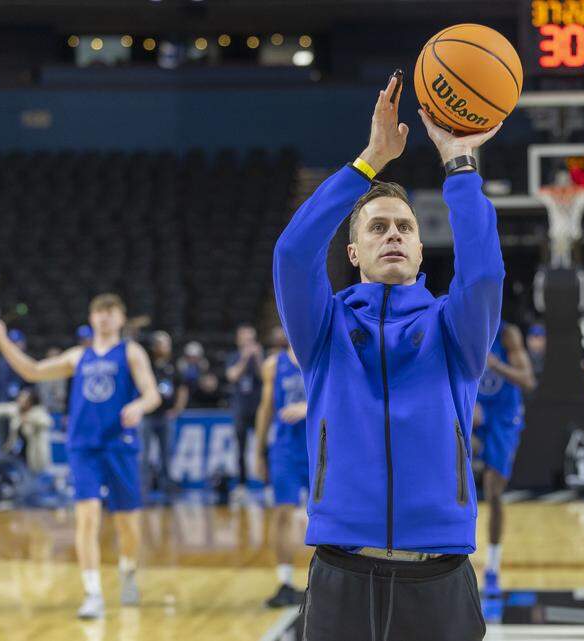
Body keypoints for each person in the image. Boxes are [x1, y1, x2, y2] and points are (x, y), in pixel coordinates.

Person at [272, 74, 500, 640]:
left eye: (404, 227)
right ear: (353, 252)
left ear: (421, 248)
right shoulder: (323, 329)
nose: (393, 234)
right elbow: (293, 252)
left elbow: (485, 271)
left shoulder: (454, 329)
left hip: (440, 575)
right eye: (377, 227)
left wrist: (460, 165)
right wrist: (369, 162)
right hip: (342, 572)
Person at [0, 293, 161, 619]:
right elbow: (33, 371)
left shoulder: (131, 352)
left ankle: (128, 571)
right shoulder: (79, 357)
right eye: (99, 312)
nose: (104, 317)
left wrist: (139, 405)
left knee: (127, 524)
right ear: (92, 319)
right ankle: (92, 592)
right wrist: (1, 339)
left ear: (120, 319)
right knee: (87, 516)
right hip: (84, 447)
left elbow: (151, 393)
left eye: (110, 312)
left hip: (119, 445)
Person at [474, 322, 536, 596]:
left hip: (503, 418)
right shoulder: (462, 323)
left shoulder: (508, 335)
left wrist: (495, 365)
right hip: (474, 412)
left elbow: (528, 380)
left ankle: (493, 565)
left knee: (494, 492)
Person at [252, 339, 309, 608]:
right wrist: (259, 450)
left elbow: (343, 398)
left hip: (321, 447)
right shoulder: (274, 364)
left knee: (330, 513)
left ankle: (327, 581)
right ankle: (285, 582)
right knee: (283, 513)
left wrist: (307, 408)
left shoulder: (323, 354)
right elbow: (265, 408)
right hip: (285, 449)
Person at [145, 331, 188, 494]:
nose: (166, 347)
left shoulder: (174, 364)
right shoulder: (147, 364)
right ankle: (144, 487)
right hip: (148, 415)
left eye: (167, 343)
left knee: (166, 454)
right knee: (144, 455)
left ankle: (166, 486)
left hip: (165, 415)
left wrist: (177, 409)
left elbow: (183, 387)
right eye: (163, 343)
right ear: (155, 346)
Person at [224, 325, 263, 497]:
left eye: (251, 339)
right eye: (245, 339)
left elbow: (265, 377)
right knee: (240, 448)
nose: (248, 342)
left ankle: (267, 483)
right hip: (240, 408)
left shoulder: (260, 358)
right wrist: (244, 359)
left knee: (263, 446)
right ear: (239, 340)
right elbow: (232, 376)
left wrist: (258, 359)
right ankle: (241, 484)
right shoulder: (234, 357)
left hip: (258, 408)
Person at [0, 388, 54, 473]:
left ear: (30, 401)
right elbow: (1, 409)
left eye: (24, 398)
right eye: (20, 397)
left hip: (32, 458)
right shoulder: (16, 409)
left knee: (28, 482)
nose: (20, 400)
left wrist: (29, 419)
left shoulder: (38, 412)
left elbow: (47, 422)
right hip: (14, 453)